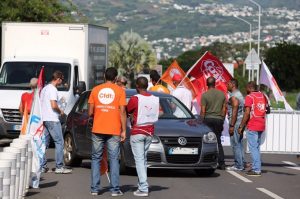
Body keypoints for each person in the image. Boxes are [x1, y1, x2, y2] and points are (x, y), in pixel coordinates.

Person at [88, 67, 126, 196]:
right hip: (114, 130)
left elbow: (90, 112)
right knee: (114, 159)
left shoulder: (95, 90)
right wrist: (124, 130)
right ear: (116, 78)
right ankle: (115, 190)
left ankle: (94, 189)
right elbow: (122, 113)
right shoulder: (120, 91)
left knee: (96, 158)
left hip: (98, 128)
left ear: (104, 76)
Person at [127, 76, 159, 197]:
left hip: (137, 132)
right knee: (143, 160)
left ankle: (144, 188)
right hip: (150, 132)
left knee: (139, 160)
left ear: (137, 86)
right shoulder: (155, 99)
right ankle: (142, 184)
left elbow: (128, 110)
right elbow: (159, 112)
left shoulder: (135, 98)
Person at [40, 71, 72, 174]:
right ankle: (59, 167)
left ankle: (42, 166)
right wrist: (61, 111)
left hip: (44, 118)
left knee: (44, 143)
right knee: (59, 142)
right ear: (58, 79)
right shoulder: (53, 89)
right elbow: (53, 105)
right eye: (61, 80)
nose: (61, 82)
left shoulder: (45, 89)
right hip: (52, 119)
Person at [238, 81, 269, 176]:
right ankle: (257, 166)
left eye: (246, 88)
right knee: (257, 147)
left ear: (249, 88)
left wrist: (241, 126)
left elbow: (247, 113)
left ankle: (256, 169)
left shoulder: (250, 97)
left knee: (253, 148)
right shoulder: (263, 96)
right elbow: (267, 110)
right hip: (261, 124)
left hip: (253, 124)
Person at [200, 77, 226, 170]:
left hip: (208, 119)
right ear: (215, 83)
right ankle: (222, 163)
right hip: (218, 119)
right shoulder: (222, 94)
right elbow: (224, 109)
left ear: (207, 84)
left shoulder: (205, 95)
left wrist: (201, 121)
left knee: (207, 141)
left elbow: (203, 111)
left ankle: (207, 160)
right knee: (218, 140)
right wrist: (222, 119)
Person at [226, 78, 245, 171]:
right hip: (240, 121)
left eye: (228, 84)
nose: (227, 85)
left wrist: (232, 125)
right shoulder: (239, 94)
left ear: (233, 85)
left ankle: (238, 165)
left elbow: (235, 109)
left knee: (235, 144)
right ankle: (241, 163)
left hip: (236, 122)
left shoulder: (234, 96)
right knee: (239, 143)